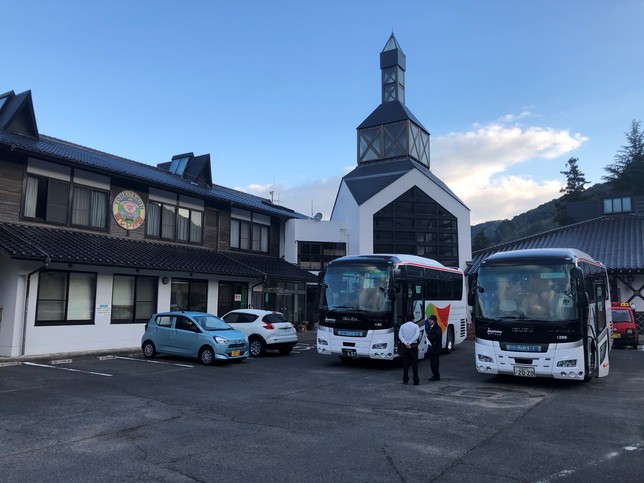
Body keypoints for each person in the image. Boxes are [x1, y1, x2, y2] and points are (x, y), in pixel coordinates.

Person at [398, 314, 420, 385]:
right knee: (414, 364)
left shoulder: (402, 326)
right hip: (413, 346)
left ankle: (405, 380)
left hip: (405, 347)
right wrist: (410, 343)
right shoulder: (416, 326)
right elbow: (416, 336)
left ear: (406, 319)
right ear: (413, 319)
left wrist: (406, 343)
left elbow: (400, 336)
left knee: (405, 364)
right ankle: (416, 381)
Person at [425, 314, 441, 381]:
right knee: (432, 363)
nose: (429, 321)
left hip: (435, 348)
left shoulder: (437, 328)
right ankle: (434, 375)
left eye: (431, 320)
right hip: (431, 348)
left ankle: (436, 376)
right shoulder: (429, 327)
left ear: (434, 320)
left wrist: (428, 336)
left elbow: (437, 337)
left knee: (435, 363)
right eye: (429, 320)